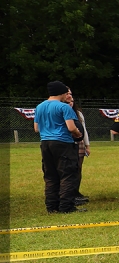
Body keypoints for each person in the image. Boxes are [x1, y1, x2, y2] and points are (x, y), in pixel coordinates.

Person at [33, 81, 84, 214]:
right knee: (67, 174)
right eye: (65, 93)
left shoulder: (39, 107)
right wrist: (78, 135)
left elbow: (36, 128)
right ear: (61, 93)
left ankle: (51, 206)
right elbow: (71, 127)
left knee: (50, 175)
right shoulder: (64, 107)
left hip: (45, 143)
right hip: (63, 143)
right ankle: (66, 207)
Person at [68, 95, 90, 205]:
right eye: (69, 100)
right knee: (69, 169)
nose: (71, 102)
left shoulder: (78, 113)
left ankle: (76, 192)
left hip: (79, 142)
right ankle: (69, 194)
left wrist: (87, 145)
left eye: (72, 100)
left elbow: (84, 130)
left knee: (78, 168)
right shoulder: (62, 111)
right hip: (67, 142)